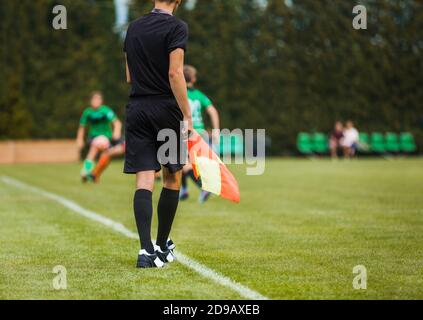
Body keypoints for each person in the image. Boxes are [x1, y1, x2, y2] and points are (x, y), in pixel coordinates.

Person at [124, 0, 192, 268]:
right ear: (178, 1)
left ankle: (144, 252)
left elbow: (130, 75)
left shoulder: (133, 27)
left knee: (144, 177)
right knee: (172, 175)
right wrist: (186, 114)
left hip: (137, 107)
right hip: (165, 107)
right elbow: (175, 73)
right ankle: (163, 246)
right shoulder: (177, 26)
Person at [180, 65, 220, 203]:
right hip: (200, 133)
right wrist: (216, 130)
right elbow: (213, 111)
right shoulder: (199, 95)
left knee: (183, 164)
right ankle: (183, 190)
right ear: (193, 79)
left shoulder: (178, 92)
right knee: (183, 162)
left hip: (186, 131)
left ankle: (202, 187)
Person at [76, 91, 122, 182]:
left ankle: (93, 173)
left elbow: (117, 122)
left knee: (105, 155)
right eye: (94, 99)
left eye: (98, 99)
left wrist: (116, 132)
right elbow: (81, 127)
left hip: (106, 137)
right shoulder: (87, 112)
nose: (96, 101)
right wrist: (79, 139)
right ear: (91, 101)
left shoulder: (105, 110)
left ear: (101, 101)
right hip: (93, 137)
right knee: (95, 149)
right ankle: (87, 172)